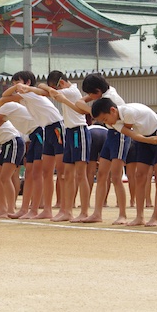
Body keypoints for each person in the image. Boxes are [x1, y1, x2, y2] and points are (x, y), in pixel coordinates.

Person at [56, 73, 129, 225]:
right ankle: (97, 213)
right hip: (110, 133)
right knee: (101, 174)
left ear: (97, 91)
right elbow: (80, 103)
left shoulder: (110, 99)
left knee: (115, 176)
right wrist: (86, 106)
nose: (89, 96)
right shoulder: (103, 93)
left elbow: (87, 110)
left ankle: (122, 214)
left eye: (90, 94)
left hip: (120, 133)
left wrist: (75, 104)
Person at [0, 70, 65, 220]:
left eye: (17, 83)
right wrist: (17, 88)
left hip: (54, 127)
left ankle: (40, 209)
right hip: (42, 131)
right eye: (13, 84)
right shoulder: (25, 96)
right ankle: (26, 209)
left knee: (41, 172)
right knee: (30, 172)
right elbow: (5, 96)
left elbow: (5, 97)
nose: (14, 86)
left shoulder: (30, 93)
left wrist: (22, 88)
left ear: (27, 82)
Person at [92, 98, 157, 227]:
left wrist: (153, 140)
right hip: (144, 139)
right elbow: (134, 136)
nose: (106, 123)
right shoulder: (113, 123)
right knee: (140, 176)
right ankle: (139, 216)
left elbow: (132, 131)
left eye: (105, 119)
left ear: (112, 110)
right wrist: (149, 141)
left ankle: (155, 216)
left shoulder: (128, 112)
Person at [43, 71, 91, 222]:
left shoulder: (71, 91)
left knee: (80, 174)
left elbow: (45, 92)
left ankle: (84, 211)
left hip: (79, 131)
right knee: (67, 174)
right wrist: (48, 88)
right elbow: (43, 89)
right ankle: (67, 211)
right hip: (69, 131)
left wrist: (49, 90)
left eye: (55, 87)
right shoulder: (63, 91)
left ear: (61, 84)